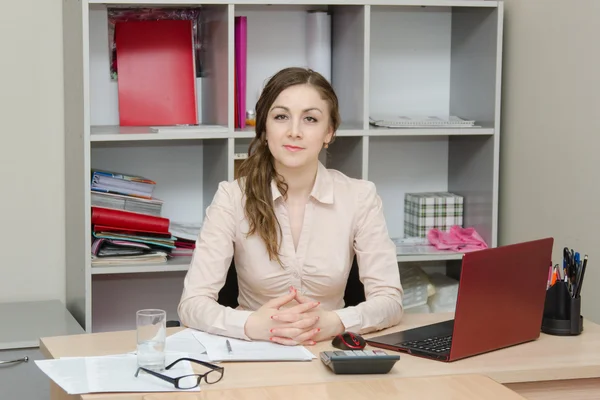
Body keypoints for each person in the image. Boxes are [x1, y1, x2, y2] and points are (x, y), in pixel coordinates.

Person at [178, 67, 403, 346]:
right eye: (281, 116)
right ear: (264, 128)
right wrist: (251, 324)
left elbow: (390, 302)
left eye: (310, 119)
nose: (294, 132)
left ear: (329, 132)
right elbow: (191, 304)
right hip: (253, 352)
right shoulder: (232, 197)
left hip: (327, 349)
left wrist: (334, 322)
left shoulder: (360, 197)